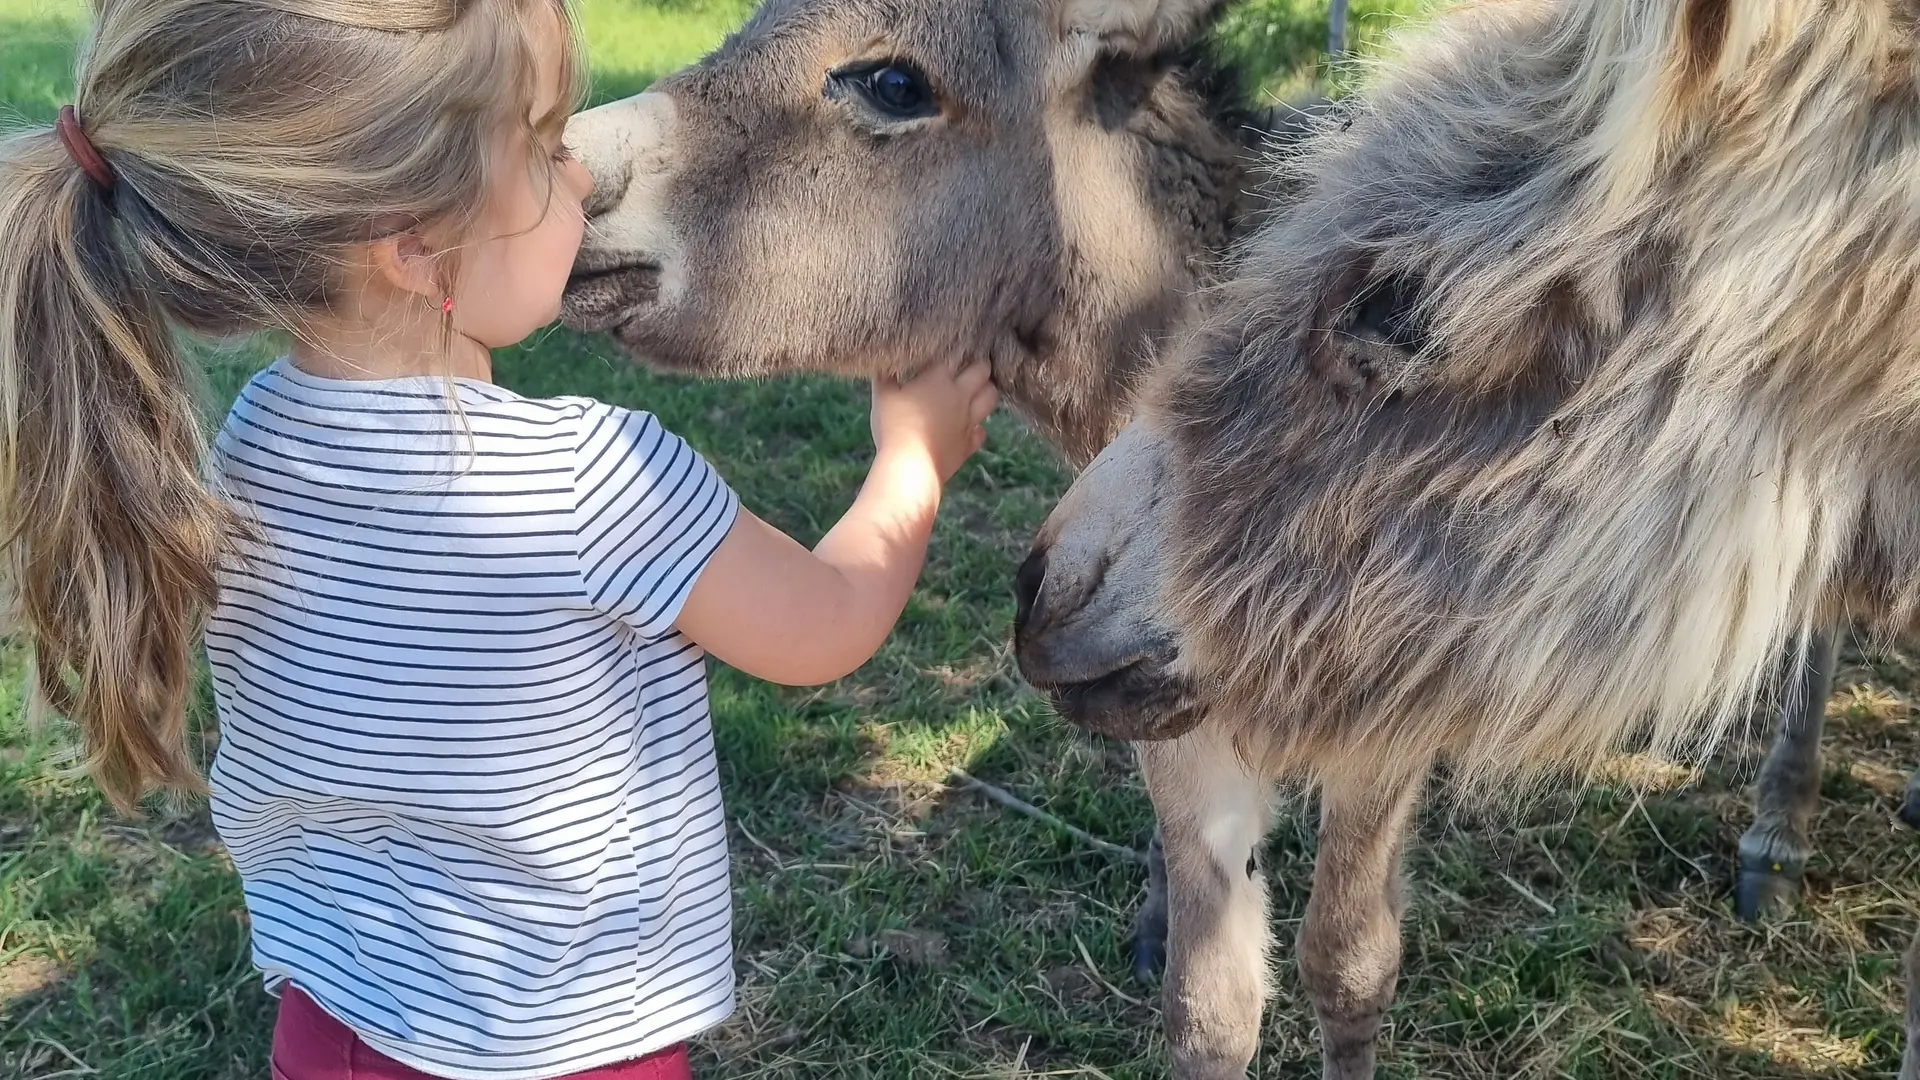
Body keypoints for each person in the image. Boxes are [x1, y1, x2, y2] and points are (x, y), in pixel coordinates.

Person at [0, 1, 998, 1077]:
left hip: (332, 1028)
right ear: (416, 241)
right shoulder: (592, 483)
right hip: (565, 1047)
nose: (580, 176)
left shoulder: (254, 440)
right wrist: (912, 461)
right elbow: (824, 626)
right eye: (540, 145)